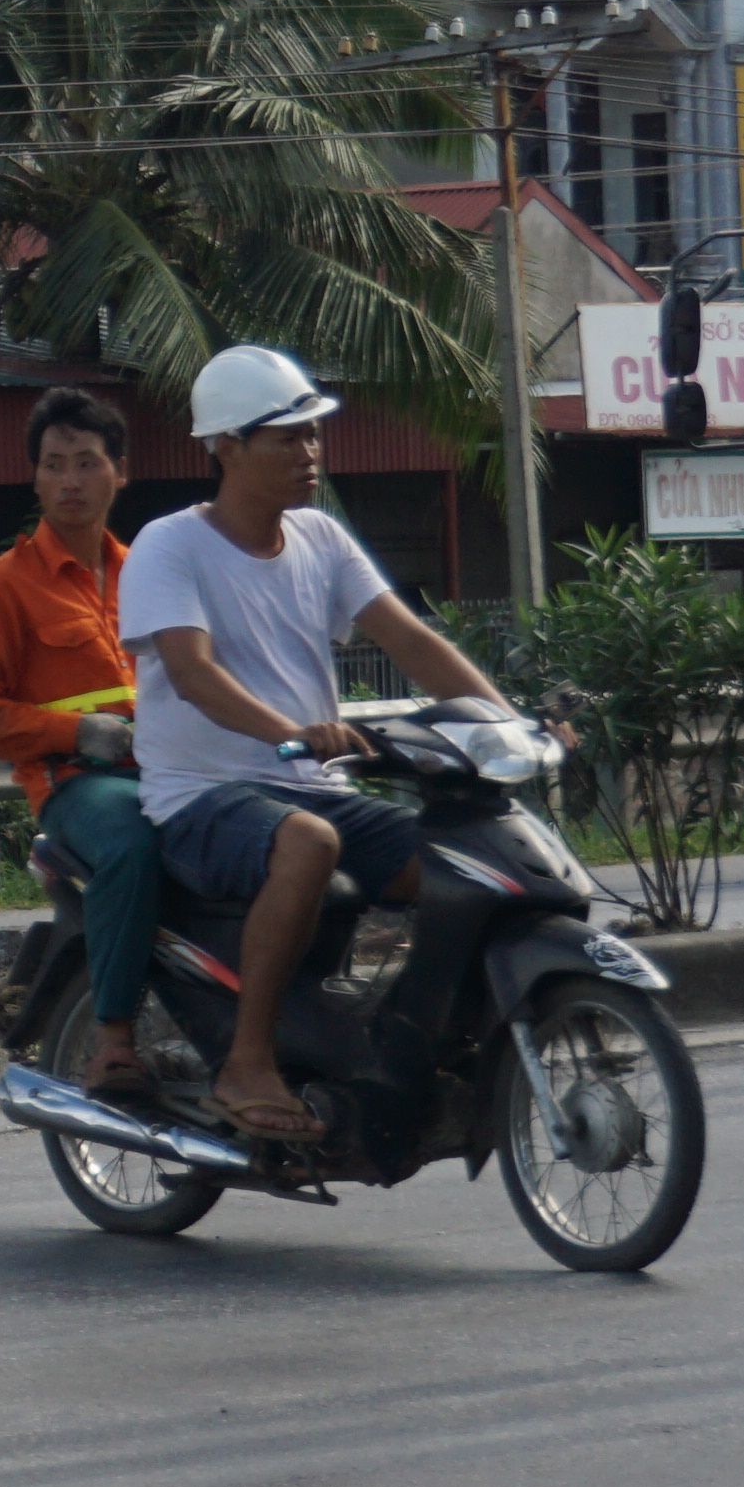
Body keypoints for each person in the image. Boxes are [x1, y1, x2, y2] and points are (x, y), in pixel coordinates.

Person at [119, 345, 518, 1143]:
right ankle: (247, 1060)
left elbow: (412, 642)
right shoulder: (170, 545)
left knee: (465, 861)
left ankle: (410, 1042)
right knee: (308, 843)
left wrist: (509, 724)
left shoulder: (322, 540)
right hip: (201, 796)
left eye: (312, 435)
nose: (309, 453)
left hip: (316, 787)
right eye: (286, 438)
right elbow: (193, 675)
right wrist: (292, 734)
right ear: (226, 448)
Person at [0, 384, 162, 1107]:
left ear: (120, 471)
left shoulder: (155, 574)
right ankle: (113, 1041)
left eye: (88, 463)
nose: (71, 481)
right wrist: (76, 732)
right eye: (55, 464)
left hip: (174, 769)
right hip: (79, 786)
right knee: (133, 845)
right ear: (35, 478)